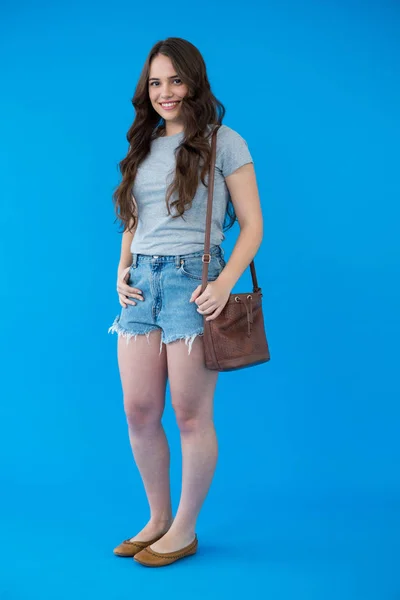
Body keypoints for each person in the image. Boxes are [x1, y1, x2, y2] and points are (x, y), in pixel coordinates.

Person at [108, 37, 263, 567]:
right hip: (141, 286)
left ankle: (184, 528)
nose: (165, 92)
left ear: (194, 82)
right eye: (156, 82)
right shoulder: (142, 146)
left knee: (190, 414)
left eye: (175, 80)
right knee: (139, 410)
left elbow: (252, 225)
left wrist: (224, 284)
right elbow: (134, 217)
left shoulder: (225, 141)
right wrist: (121, 267)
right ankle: (156, 518)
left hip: (192, 284)